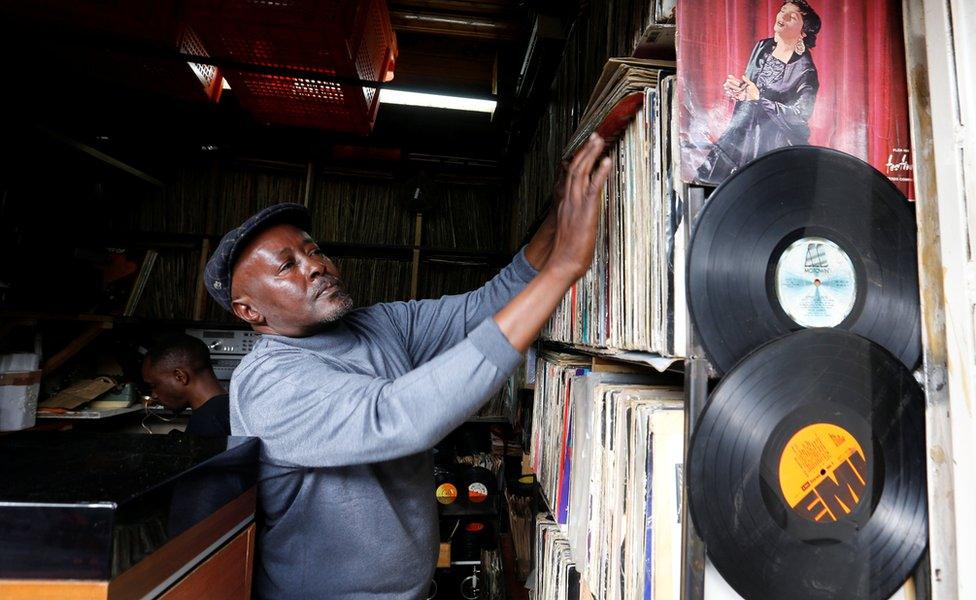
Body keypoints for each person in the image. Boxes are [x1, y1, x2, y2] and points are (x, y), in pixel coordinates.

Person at [203, 133, 613, 599]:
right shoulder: (267, 384)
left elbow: (485, 306)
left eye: (313, 250)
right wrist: (564, 268)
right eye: (286, 267)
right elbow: (397, 417)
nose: (314, 267)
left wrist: (558, 222)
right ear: (250, 312)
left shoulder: (380, 325)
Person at [697, 0, 822, 182]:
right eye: (782, 10)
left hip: (771, 146)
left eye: (792, 17)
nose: (783, 16)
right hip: (740, 132)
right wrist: (739, 91)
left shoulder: (806, 70)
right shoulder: (762, 47)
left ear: (803, 33)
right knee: (710, 185)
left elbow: (800, 118)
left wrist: (759, 98)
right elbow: (751, 88)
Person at [142, 333, 231, 437]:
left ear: (180, 376)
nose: (154, 395)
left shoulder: (206, 423)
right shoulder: (232, 408)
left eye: (154, 385)